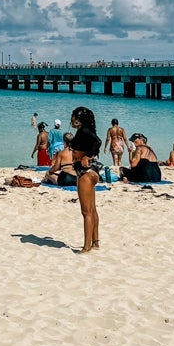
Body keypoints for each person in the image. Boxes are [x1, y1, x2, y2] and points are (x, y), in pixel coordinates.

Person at [68, 107, 102, 254]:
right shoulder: (85, 130)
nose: (71, 119)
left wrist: (87, 156)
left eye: (72, 116)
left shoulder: (84, 131)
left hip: (86, 173)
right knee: (92, 209)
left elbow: (98, 142)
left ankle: (86, 247)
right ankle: (95, 242)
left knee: (86, 212)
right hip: (89, 171)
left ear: (77, 119)